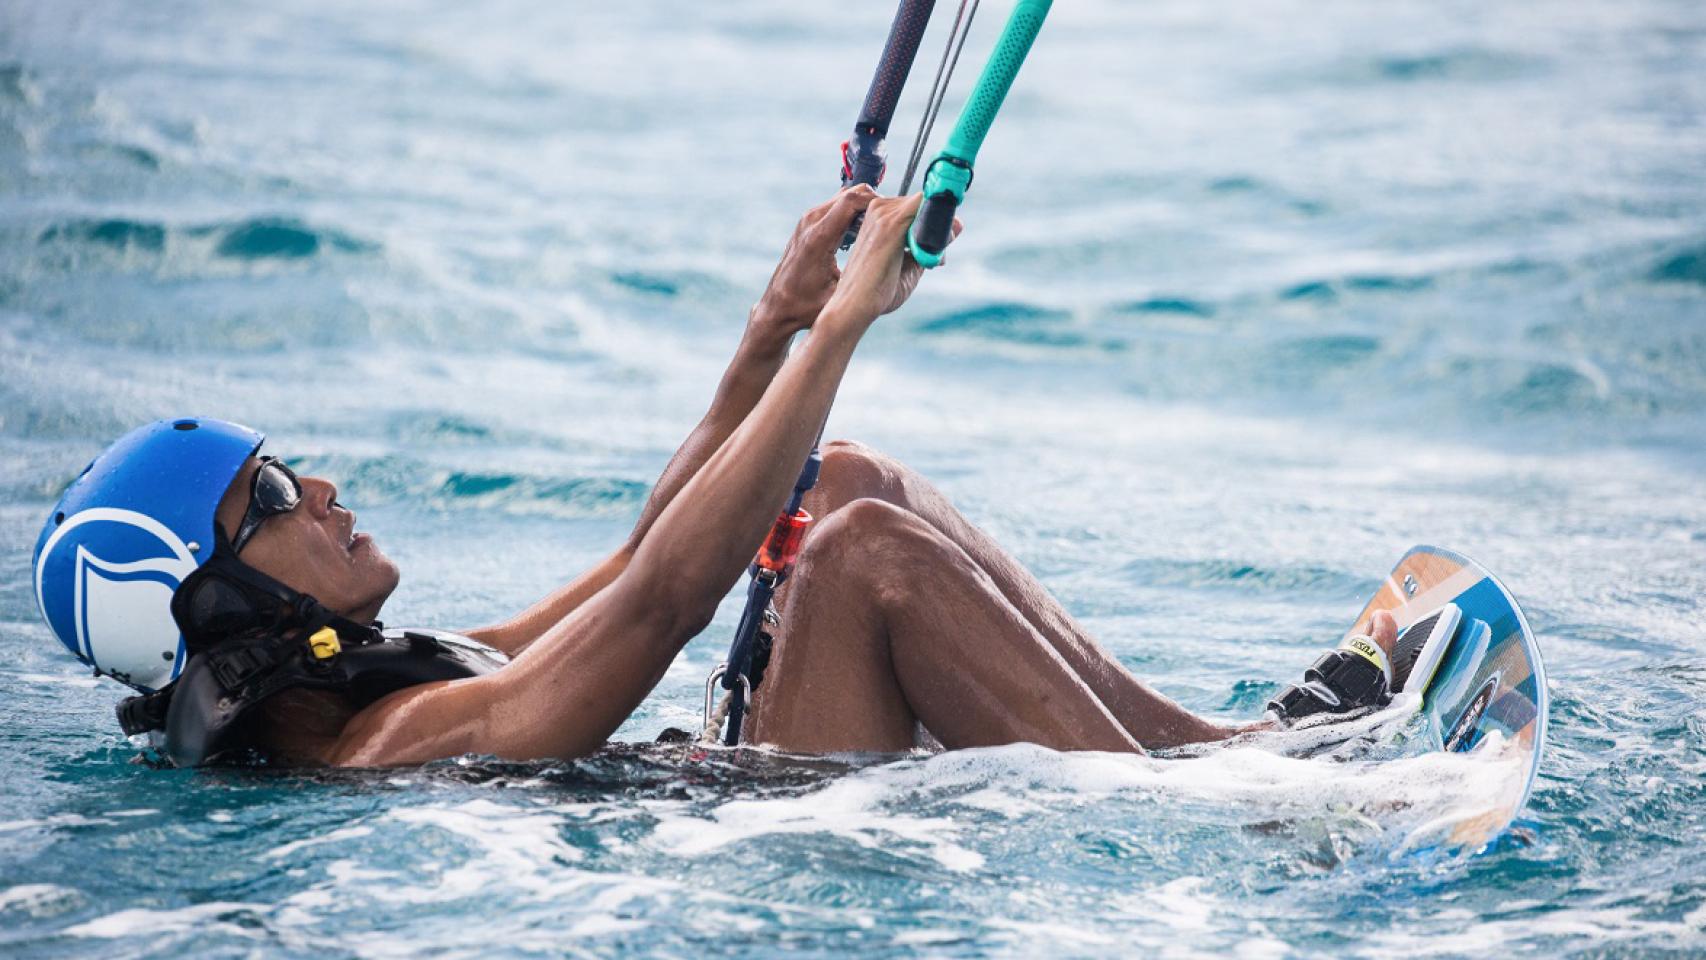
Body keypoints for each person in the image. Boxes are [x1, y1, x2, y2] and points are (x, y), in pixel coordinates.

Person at [31, 188, 1398, 768]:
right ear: (213, 615)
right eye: (267, 503)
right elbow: (662, 606)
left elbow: (635, 566)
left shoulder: (401, 668)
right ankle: (1247, 825)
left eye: (286, 470)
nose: (317, 490)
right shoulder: (386, 747)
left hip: (740, 785)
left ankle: (1225, 757)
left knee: (840, 471)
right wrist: (852, 325)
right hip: (772, 841)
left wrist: (777, 320)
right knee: (859, 552)